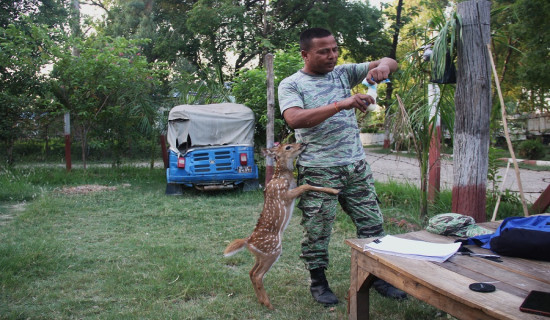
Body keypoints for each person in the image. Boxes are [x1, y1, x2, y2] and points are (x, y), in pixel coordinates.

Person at [277, 27, 407, 305]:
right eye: (324, 51)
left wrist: (382, 67)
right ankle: (318, 282)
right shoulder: (291, 84)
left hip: (356, 167)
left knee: (372, 224)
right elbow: (295, 119)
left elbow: (390, 61)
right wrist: (341, 104)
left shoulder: (343, 73)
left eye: (334, 49)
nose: (332, 55)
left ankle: (378, 278)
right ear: (305, 54)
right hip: (319, 171)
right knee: (318, 229)